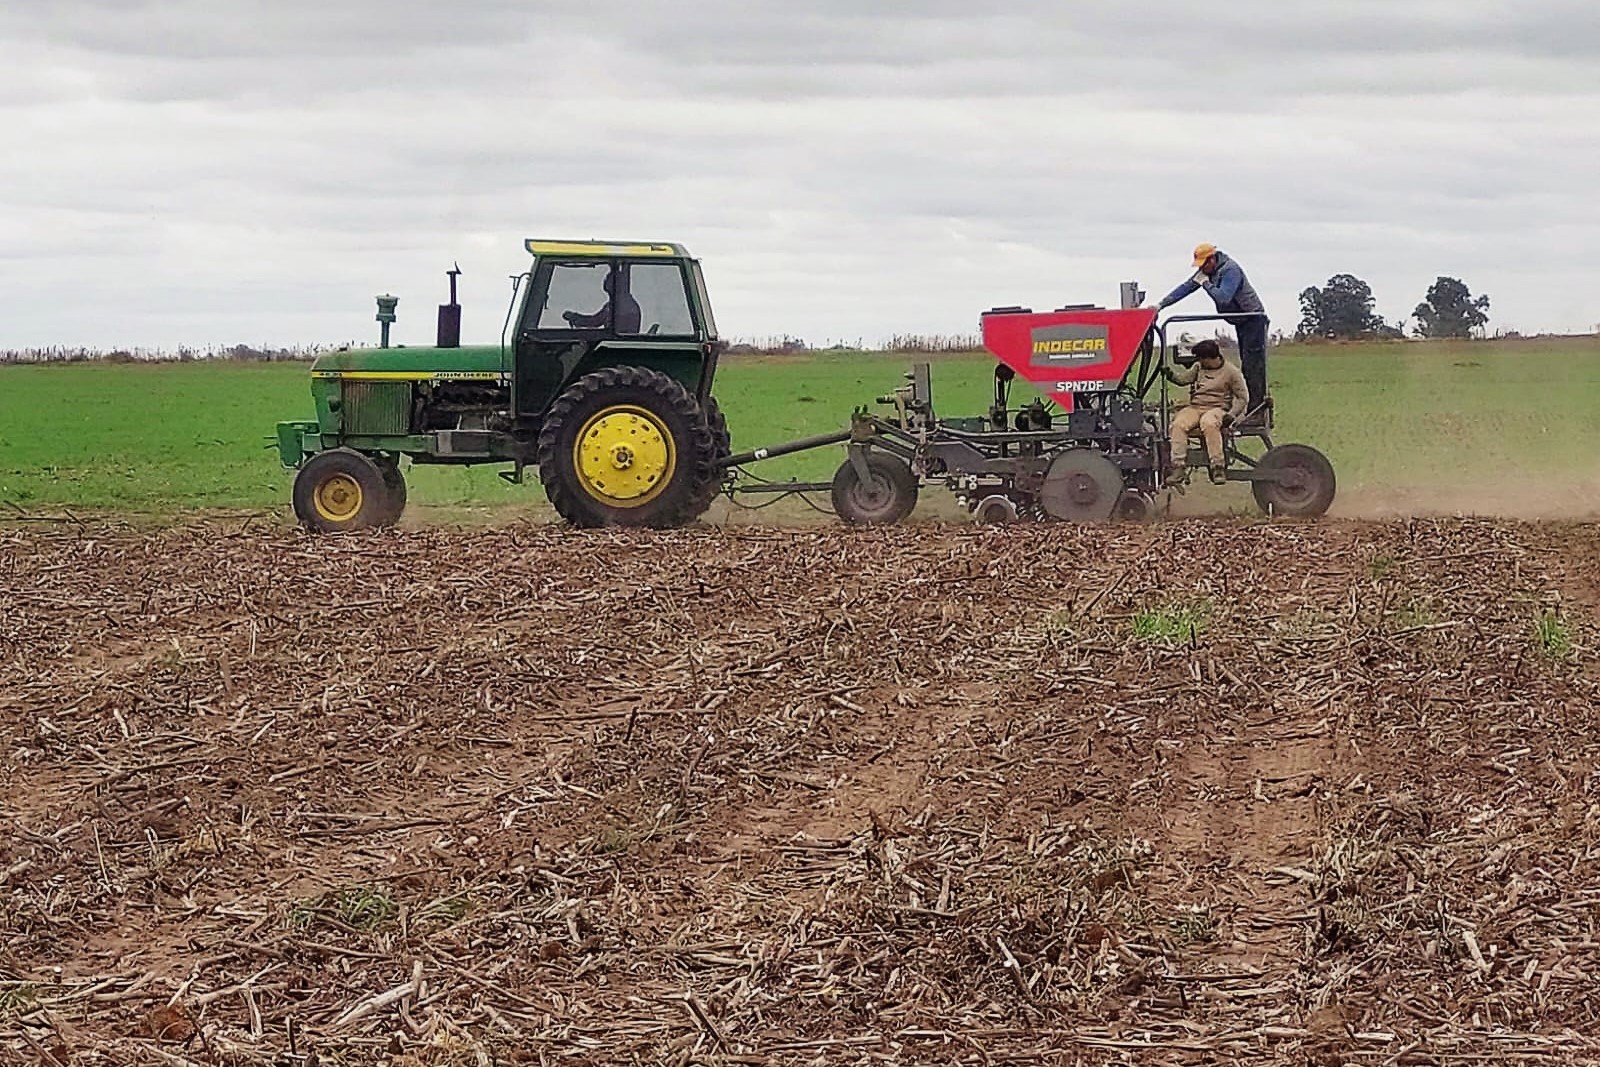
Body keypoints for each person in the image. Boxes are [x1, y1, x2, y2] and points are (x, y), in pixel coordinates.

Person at [1153, 243, 1269, 423]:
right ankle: (1251, 411)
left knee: (1253, 366)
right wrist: (1160, 305)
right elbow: (1186, 288)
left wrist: (1205, 283)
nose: (1201, 269)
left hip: (1253, 320)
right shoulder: (1208, 271)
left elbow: (1223, 297)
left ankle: (1257, 412)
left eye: (1204, 265)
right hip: (1242, 321)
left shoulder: (1231, 270)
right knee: (1247, 364)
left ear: (1213, 259)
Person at [1165, 339, 1248, 485]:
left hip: (1217, 408)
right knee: (1178, 424)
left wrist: (1232, 415)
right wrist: (1170, 375)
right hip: (1196, 407)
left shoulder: (1231, 372)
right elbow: (1183, 380)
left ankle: (1218, 467)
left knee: (1209, 423)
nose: (1199, 362)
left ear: (1211, 358)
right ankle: (1178, 467)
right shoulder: (1199, 367)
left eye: (1202, 358)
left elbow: (1242, 398)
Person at [563, 269, 642, 332]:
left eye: (609, 279)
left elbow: (617, 334)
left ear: (617, 284)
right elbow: (595, 320)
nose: (605, 281)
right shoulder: (611, 305)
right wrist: (576, 317)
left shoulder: (626, 306)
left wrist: (576, 319)